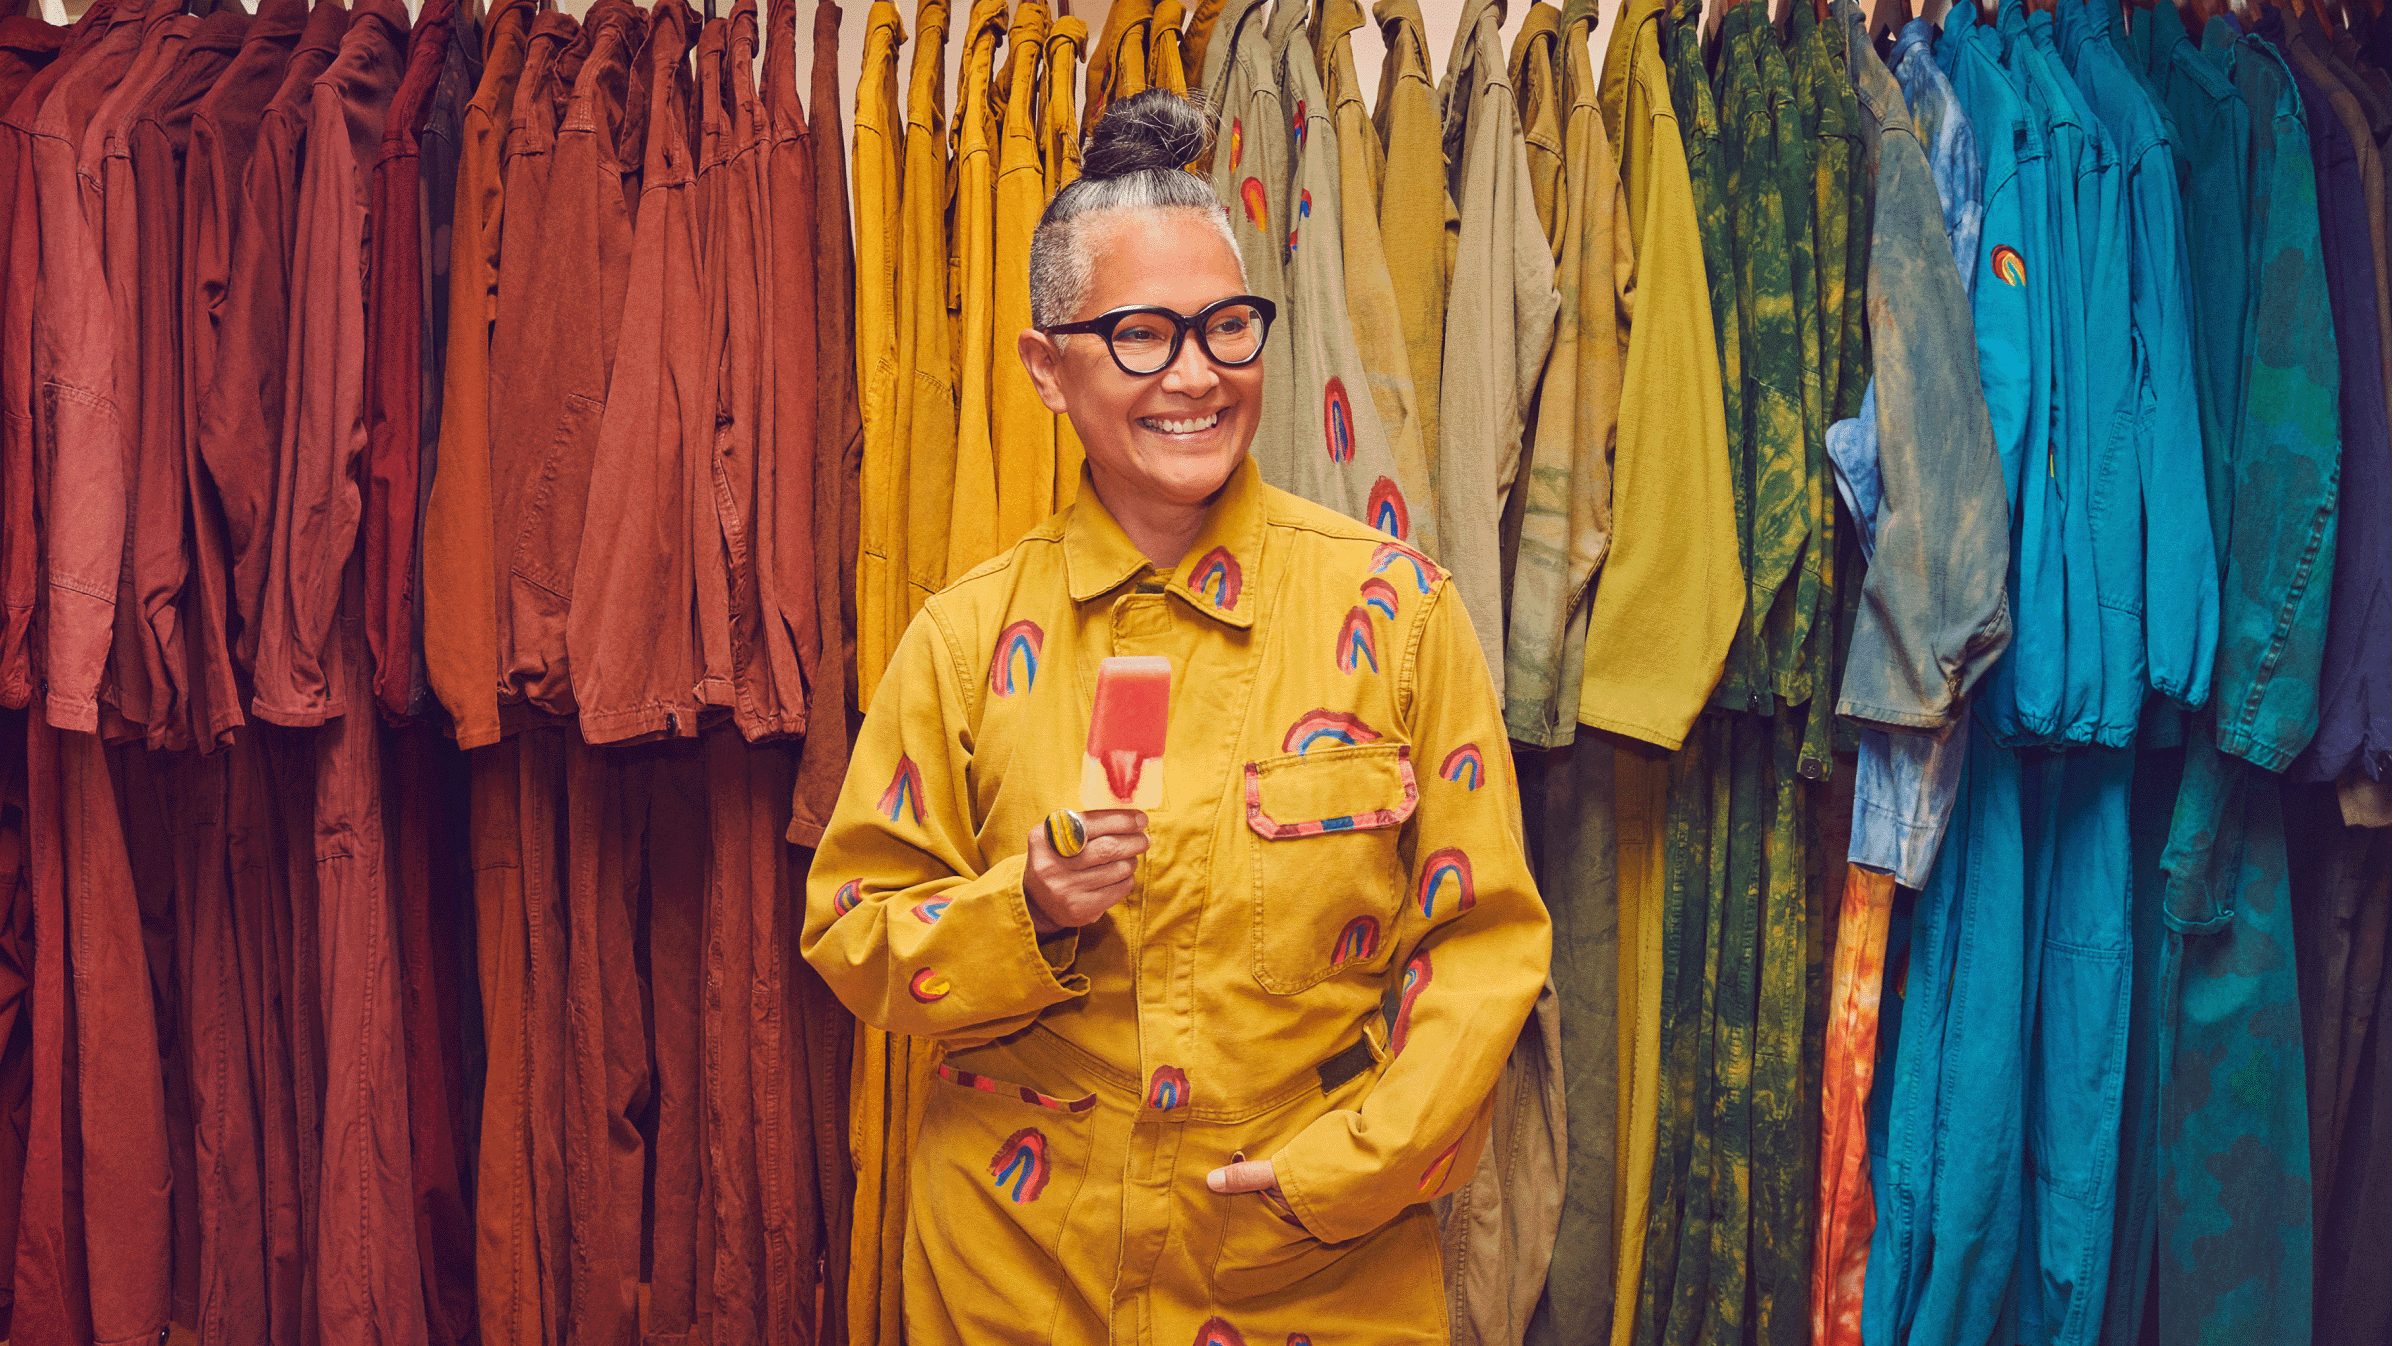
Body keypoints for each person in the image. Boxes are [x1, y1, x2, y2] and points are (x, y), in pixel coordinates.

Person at [801, 88, 1550, 1344]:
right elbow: (852, 931)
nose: (1195, 374)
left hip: (1311, 1270)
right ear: (1048, 366)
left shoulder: (1398, 611)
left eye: (1226, 328)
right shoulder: (965, 639)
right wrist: (1024, 907)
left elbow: (1481, 949)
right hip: (1017, 1269)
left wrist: (1341, 1171)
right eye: (1142, 335)